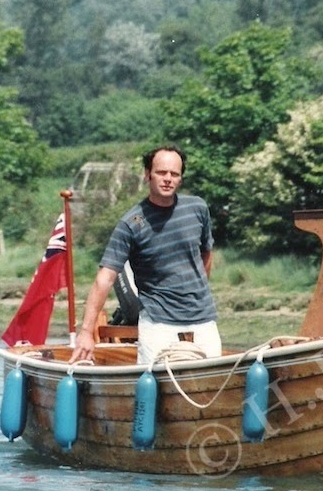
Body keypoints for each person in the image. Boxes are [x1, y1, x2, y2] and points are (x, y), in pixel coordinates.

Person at [70, 145, 222, 364]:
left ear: (180, 178)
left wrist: (195, 292)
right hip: (158, 326)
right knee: (153, 392)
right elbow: (105, 278)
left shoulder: (198, 208)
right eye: (161, 172)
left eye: (174, 174)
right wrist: (85, 332)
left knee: (211, 387)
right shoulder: (131, 223)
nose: (168, 178)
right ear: (147, 174)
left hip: (203, 322)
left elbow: (206, 253)